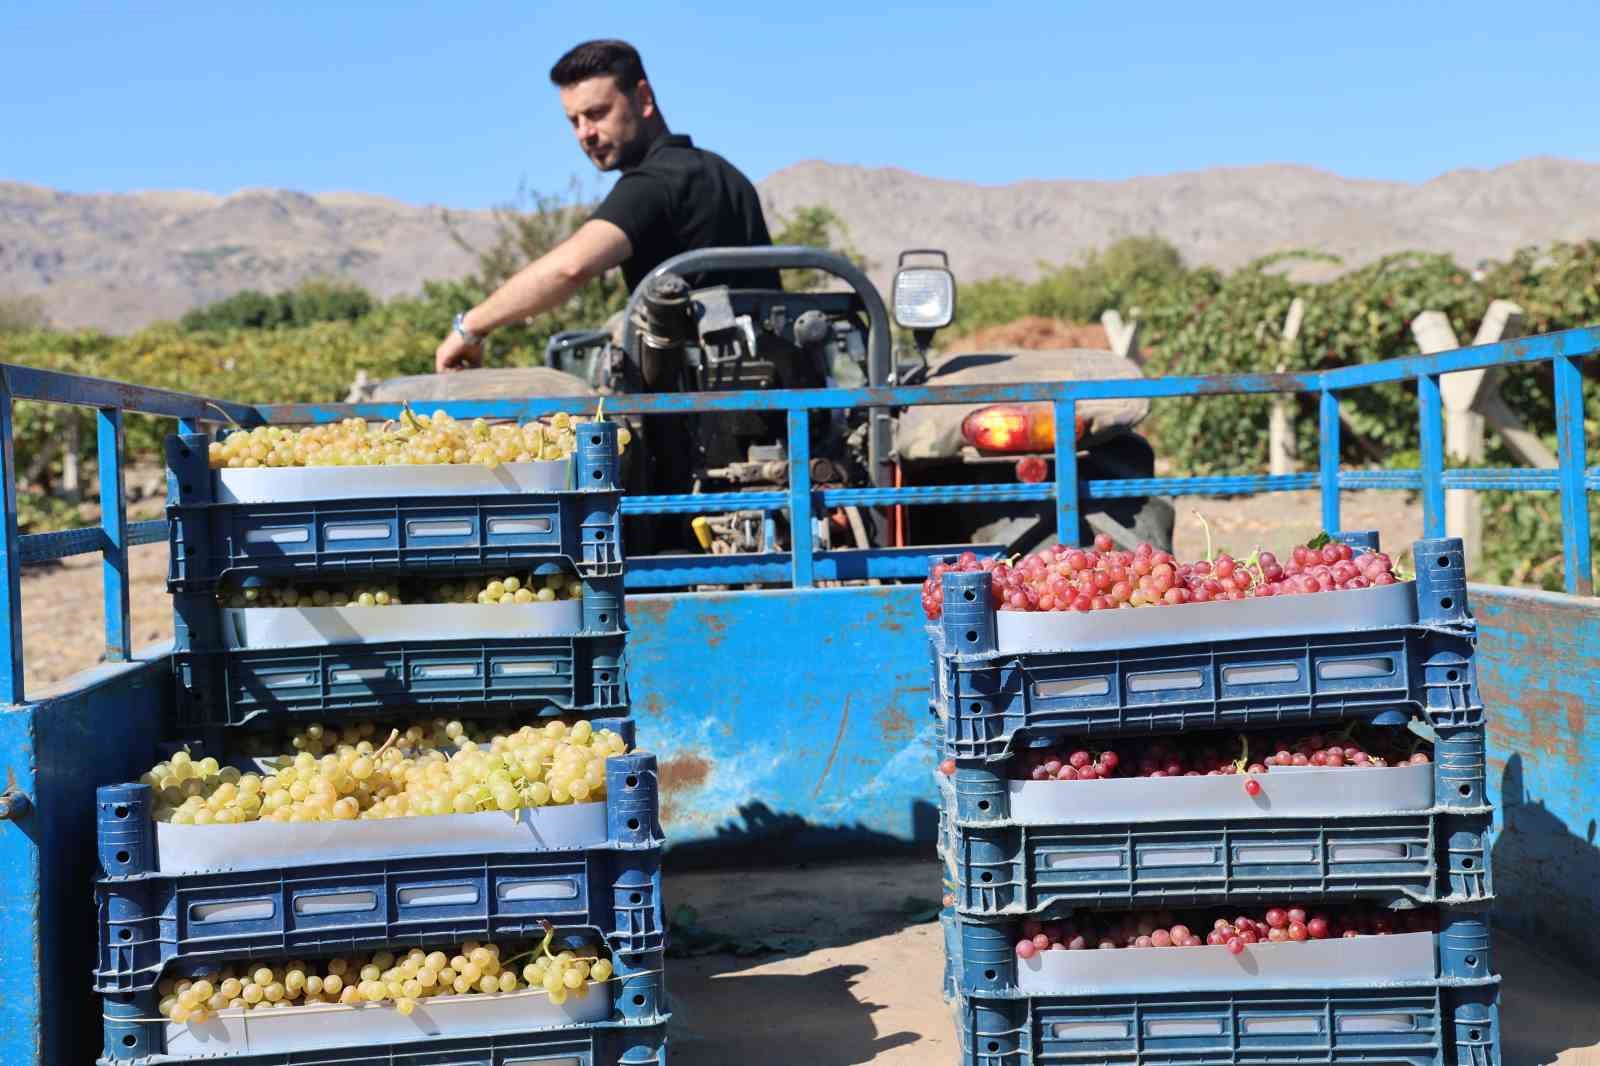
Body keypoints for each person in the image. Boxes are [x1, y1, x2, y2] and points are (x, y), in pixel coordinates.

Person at [434, 38, 780, 373]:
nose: (585, 133)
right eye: (574, 121)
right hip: (776, 385)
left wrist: (470, 327)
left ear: (643, 98)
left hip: (707, 399)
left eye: (597, 113)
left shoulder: (654, 183)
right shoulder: (725, 173)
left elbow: (570, 268)